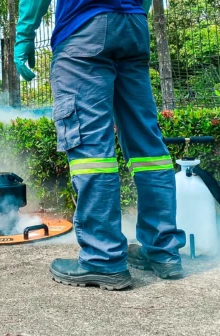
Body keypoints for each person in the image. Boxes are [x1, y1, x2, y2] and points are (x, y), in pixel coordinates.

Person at [14, 0, 187, 290]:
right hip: (133, 26)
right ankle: (163, 250)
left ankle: (102, 258)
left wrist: (24, 35)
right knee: (147, 146)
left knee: (90, 150)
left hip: (85, 28)